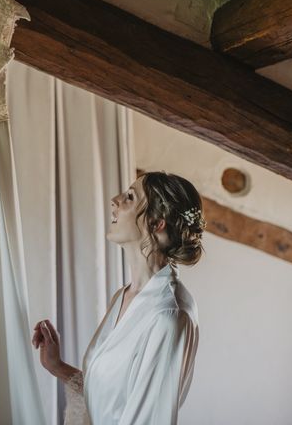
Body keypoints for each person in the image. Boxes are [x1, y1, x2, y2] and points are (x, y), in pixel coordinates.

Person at [31, 171, 205, 424]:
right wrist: (55, 365)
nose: (115, 200)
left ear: (157, 223)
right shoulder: (123, 296)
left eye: (130, 198)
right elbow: (111, 400)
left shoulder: (168, 315)